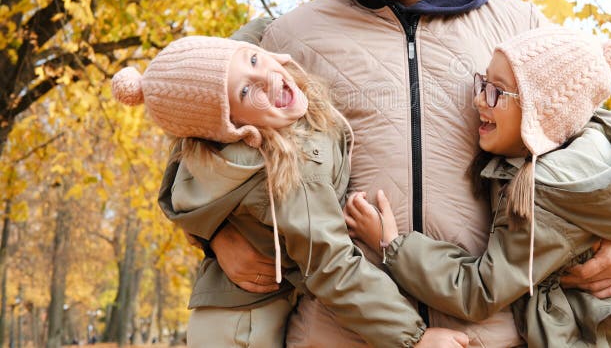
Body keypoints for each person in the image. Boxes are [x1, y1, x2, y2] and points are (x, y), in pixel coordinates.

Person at [160, 0, 611, 346]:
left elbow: (600, 150)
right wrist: (215, 237)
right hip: (336, 333)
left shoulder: (520, 27)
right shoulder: (290, 37)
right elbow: (196, 153)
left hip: (489, 333)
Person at [112, 36, 468, 347]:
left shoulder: (221, 147)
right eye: (245, 91)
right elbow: (331, 266)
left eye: (253, 59)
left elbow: (236, 52)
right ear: (232, 128)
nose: (264, 77)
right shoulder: (290, 172)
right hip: (243, 330)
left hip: (230, 316)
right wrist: (414, 338)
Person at [345, 26, 611, 347]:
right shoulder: (603, 145)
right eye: (483, 83)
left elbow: (479, 291)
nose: (478, 99)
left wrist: (391, 245)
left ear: (543, 112)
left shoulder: (544, 194)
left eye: (497, 91)